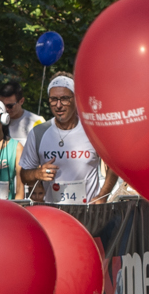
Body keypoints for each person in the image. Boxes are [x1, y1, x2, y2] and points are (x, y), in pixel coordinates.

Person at [32, 74, 111, 206]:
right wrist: (36, 174)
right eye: (53, 99)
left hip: (87, 213)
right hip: (52, 212)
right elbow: (24, 174)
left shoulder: (93, 130)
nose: (58, 105)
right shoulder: (39, 132)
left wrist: (102, 196)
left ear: (76, 99)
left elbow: (113, 167)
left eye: (64, 99)